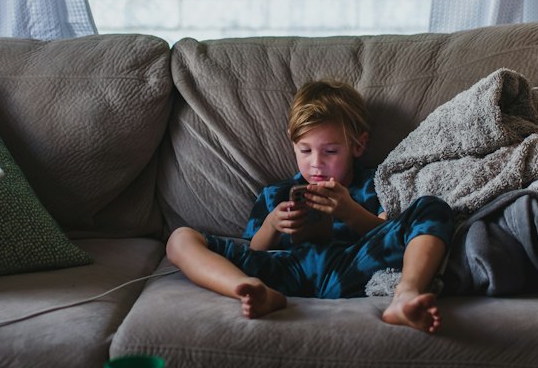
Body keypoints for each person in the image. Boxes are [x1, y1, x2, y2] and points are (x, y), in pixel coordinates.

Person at [165, 78, 453, 332]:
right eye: (305, 150)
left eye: (330, 151)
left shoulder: (375, 183)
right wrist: (272, 225)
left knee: (432, 206)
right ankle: (251, 290)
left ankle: (406, 296)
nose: (316, 163)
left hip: (350, 264)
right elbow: (254, 250)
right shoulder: (275, 194)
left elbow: (389, 234)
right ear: (293, 146)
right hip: (287, 269)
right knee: (180, 239)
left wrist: (350, 212)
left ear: (358, 145)